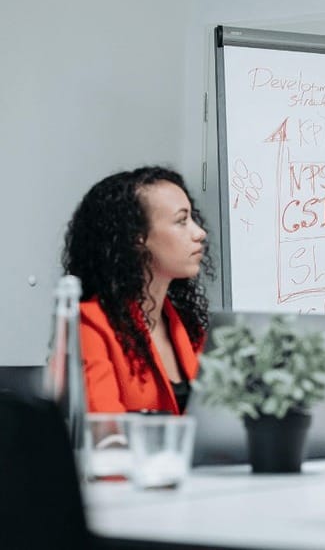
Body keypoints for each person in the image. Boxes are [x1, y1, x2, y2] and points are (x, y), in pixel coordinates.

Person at [62, 166, 212, 414]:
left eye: (193, 219)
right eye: (181, 220)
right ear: (137, 237)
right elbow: (106, 433)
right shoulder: (90, 325)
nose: (199, 233)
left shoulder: (187, 326)